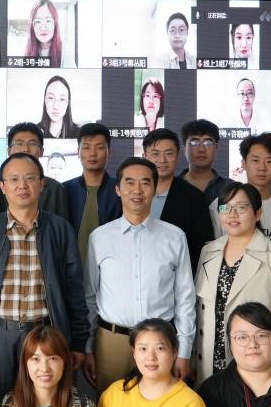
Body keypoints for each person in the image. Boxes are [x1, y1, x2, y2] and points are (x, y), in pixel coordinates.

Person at [0, 153, 90, 405]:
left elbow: (74, 290)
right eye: (14, 179)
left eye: (30, 178)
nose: (22, 185)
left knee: (46, 406)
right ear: (2, 186)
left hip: (46, 333)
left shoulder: (60, 230)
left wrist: (77, 342)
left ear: (42, 184)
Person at [84, 157, 196, 392]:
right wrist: (88, 347)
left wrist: (184, 351)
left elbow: (185, 298)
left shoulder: (175, 237)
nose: (137, 190)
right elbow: (90, 296)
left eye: (145, 183)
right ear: (118, 189)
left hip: (160, 341)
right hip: (111, 342)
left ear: (155, 189)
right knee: (110, 406)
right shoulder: (99, 237)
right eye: (129, 182)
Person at [194, 181, 271, 381]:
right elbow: (199, 310)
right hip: (209, 360)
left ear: (258, 214)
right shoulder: (208, 251)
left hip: (256, 361)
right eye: (225, 208)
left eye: (241, 208)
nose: (232, 214)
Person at [211, 133, 271, 249]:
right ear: (244, 163)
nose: (262, 168)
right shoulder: (222, 205)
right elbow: (212, 249)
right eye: (255, 160)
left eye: (269, 161)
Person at [143, 128, 213, 270]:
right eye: (155, 154)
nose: (162, 160)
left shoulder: (194, 197)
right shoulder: (132, 194)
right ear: (144, 156)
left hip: (178, 275)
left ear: (178, 155)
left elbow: (202, 248)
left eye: (169, 153)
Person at [63, 123, 121, 262]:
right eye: (86, 147)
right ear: (78, 152)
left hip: (112, 267)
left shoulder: (121, 191)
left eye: (99, 147)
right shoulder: (64, 190)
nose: (92, 154)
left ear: (109, 152)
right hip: (70, 269)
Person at [0, 123, 71, 220]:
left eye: (32, 144)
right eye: (19, 143)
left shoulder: (56, 190)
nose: (25, 149)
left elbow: (62, 226)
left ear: (42, 151)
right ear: (9, 150)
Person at [180, 118, 229, 206]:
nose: (201, 149)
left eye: (208, 143)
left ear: (216, 148)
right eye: (194, 143)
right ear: (184, 148)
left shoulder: (231, 187)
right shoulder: (172, 186)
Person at [38, 75, 79, 140]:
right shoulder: (35, 132)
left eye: (62, 99)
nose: (56, 106)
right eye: (51, 98)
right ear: (45, 100)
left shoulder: (79, 134)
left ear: (67, 102)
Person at [24, 0, 63, 66]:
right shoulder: (27, 50)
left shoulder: (65, 51)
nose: (43, 28)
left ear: (55, 24)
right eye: (38, 21)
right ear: (32, 26)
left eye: (48, 21)